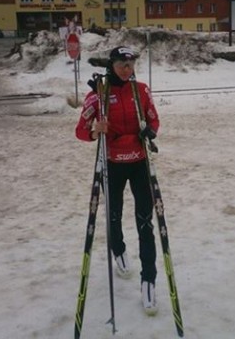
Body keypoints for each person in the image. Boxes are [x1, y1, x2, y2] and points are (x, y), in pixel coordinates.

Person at [75, 46, 160, 315]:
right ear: (111, 65)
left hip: (139, 162)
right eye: (123, 64)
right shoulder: (97, 94)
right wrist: (93, 130)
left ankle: (149, 280)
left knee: (146, 220)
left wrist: (149, 129)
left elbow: (154, 119)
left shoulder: (141, 90)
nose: (128, 69)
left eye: (131, 64)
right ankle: (118, 249)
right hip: (112, 163)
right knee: (114, 214)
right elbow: (80, 130)